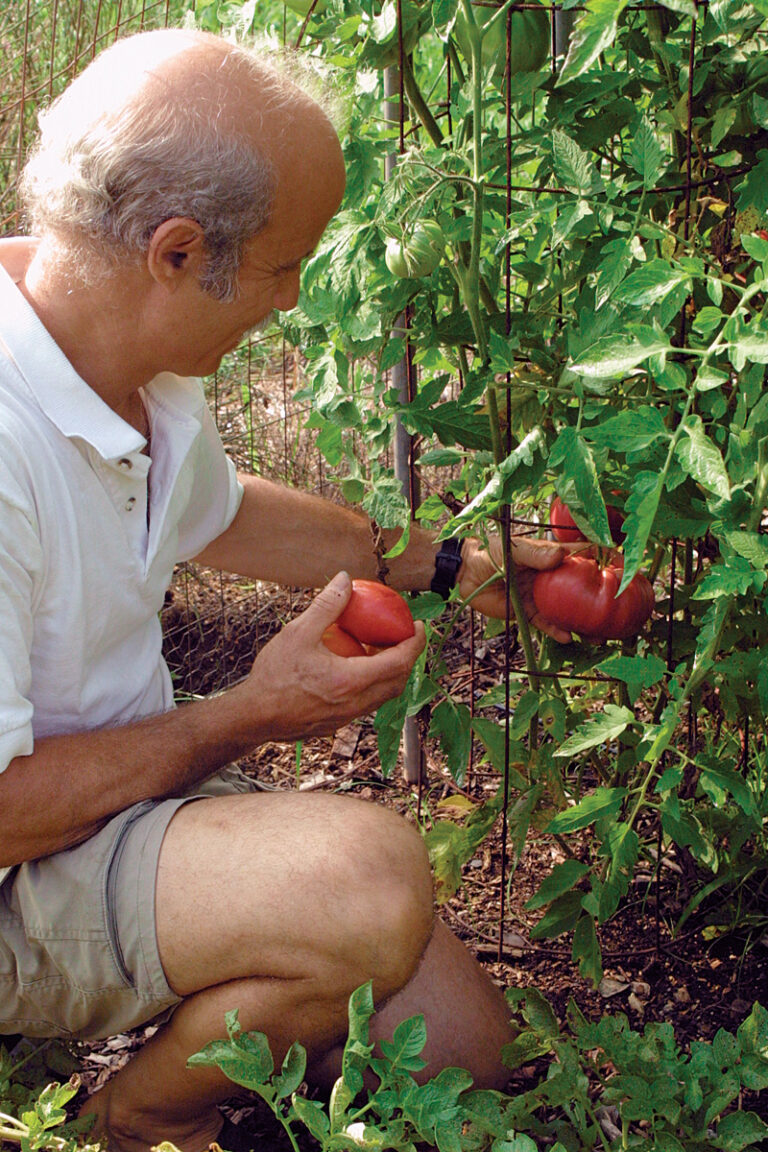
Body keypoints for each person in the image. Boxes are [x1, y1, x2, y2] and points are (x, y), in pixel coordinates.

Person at [0, 28, 571, 1152]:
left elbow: (230, 512)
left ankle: (211, 1019)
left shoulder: (122, 360)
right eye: (283, 262)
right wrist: (253, 712)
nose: (298, 294)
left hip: (110, 811)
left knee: (463, 1054)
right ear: (174, 252)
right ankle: (121, 1120)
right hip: (22, 852)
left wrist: (457, 566)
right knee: (365, 882)